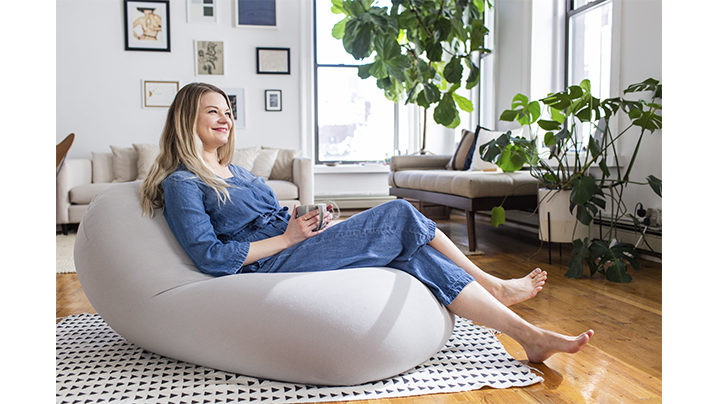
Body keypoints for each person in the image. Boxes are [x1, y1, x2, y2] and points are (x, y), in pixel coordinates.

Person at [139, 82, 593, 364]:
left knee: (413, 254)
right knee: (398, 213)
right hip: (266, 264)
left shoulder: (237, 171)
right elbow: (210, 257)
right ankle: (490, 284)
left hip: (292, 242)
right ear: (186, 119)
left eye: (229, 110)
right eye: (213, 111)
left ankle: (529, 337)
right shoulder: (183, 182)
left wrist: (305, 220)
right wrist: (286, 237)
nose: (226, 118)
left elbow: (276, 218)